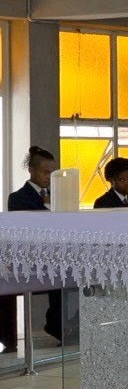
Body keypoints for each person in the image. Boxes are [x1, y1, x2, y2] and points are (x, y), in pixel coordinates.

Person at [4, 146, 71, 345]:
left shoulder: (59, 195)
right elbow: (30, 229)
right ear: (32, 171)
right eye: (45, 172)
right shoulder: (18, 198)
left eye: (53, 173)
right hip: (32, 257)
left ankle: (66, 324)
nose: (49, 177)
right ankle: (57, 324)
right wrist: (50, 208)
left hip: (57, 253)